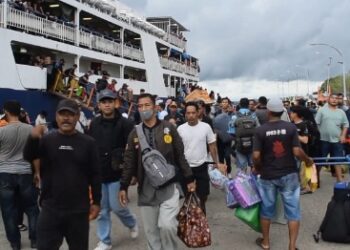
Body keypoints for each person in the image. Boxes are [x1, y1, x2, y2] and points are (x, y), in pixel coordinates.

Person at [118, 93, 196, 250]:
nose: (143, 109)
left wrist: (189, 178)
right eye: (140, 106)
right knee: (151, 232)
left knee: (167, 225)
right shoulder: (134, 133)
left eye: (147, 105)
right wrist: (123, 186)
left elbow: (180, 155)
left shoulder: (169, 128)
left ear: (154, 107)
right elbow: (129, 161)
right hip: (146, 189)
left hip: (169, 186)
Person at [23, 99, 101, 250]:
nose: (66, 118)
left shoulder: (88, 142)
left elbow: (95, 174)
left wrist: (97, 202)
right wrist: (32, 138)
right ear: (56, 117)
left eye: (70, 114)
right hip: (50, 209)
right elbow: (29, 156)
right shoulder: (46, 140)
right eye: (62, 114)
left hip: (78, 211)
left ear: (78, 116)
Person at [253, 97, 313, 250]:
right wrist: (307, 160)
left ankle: (266, 242)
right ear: (282, 111)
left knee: (266, 210)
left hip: (267, 175)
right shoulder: (291, 128)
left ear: (269, 111)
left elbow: (256, 156)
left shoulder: (261, 130)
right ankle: (292, 247)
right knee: (293, 212)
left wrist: (258, 168)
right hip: (289, 175)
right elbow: (297, 151)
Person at [88, 89, 138, 250]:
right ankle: (105, 241)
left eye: (110, 101)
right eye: (103, 102)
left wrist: (133, 173)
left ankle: (131, 222)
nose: (107, 104)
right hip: (98, 172)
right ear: (99, 105)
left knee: (117, 207)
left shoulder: (126, 123)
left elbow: (133, 149)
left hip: (118, 172)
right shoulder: (94, 123)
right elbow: (89, 147)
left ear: (115, 102)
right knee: (102, 210)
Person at [0, 101, 40, 250]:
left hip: (5, 174)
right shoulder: (31, 129)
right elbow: (36, 155)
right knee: (32, 208)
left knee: (8, 211)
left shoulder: (1, 131)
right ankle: (35, 240)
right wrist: (37, 173)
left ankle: (15, 243)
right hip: (25, 173)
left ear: (6, 112)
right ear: (20, 112)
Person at [177, 102, 224, 214]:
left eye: (193, 112)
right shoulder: (180, 129)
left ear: (198, 112)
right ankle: (190, 223)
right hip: (186, 168)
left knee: (203, 197)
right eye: (188, 113)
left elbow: (212, 146)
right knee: (189, 197)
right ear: (185, 115)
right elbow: (177, 150)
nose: (191, 115)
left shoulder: (206, 127)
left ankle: (201, 221)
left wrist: (216, 163)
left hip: (202, 166)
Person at [315, 94, 348, 182]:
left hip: (337, 140)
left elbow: (346, 125)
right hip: (323, 140)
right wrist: (320, 134)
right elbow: (316, 123)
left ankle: (339, 179)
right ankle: (315, 179)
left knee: (338, 160)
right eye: (332, 98)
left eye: (336, 98)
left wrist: (343, 135)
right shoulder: (321, 110)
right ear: (328, 99)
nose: (334, 100)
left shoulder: (341, 112)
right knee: (320, 160)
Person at [230, 98, 260, 172]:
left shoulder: (234, 117)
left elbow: (231, 132)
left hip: (239, 146)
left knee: (241, 170)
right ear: (248, 105)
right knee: (254, 168)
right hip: (252, 145)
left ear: (239, 105)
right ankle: (253, 182)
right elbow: (258, 130)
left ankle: (243, 183)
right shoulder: (253, 116)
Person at [213, 97, 233, 177]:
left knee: (227, 156)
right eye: (223, 102)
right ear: (221, 103)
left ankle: (229, 172)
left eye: (226, 102)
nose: (225, 103)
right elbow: (214, 124)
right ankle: (222, 172)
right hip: (219, 138)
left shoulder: (231, 113)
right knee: (220, 156)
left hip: (228, 137)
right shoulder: (217, 113)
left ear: (228, 103)